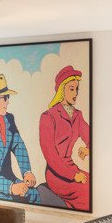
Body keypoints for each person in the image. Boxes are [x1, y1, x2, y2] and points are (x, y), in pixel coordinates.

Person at [38, 64, 91, 211]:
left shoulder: (77, 115)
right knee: (86, 191)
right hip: (56, 174)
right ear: (62, 90)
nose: (76, 93)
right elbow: (50, 155)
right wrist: (73, 175)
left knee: (93, 184)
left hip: (73, 168)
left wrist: (88, 148)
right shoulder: (48, 117)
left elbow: (91, 137)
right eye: (71, 89)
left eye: (77, 89)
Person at [0, 74, 37, 203]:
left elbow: (18, 145)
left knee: (34, 194)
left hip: (10, 179)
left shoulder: (9, 118)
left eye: (8, 97)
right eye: (5, 98)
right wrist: (11, 187)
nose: (8, 102)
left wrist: (27, 172)